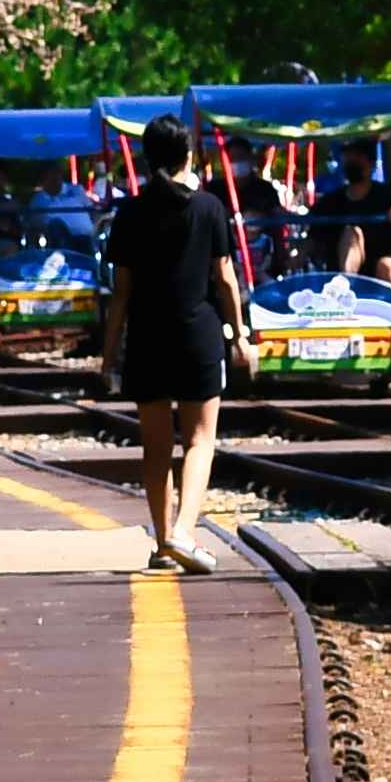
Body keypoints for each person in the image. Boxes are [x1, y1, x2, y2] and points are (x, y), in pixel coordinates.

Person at [98, 118, 240, 573]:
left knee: (155, 447)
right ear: (189, 157)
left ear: (146, 159)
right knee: (200, 441)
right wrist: (239, 332)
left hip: (146, 338)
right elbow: (224, 279)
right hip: (198, 335)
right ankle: (184, 531)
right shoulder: (209, 208)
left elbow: (120, 292)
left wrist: (109, 355)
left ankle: (162, 546)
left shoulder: (129, 215)